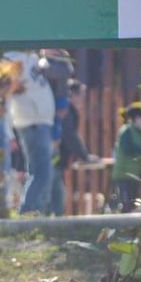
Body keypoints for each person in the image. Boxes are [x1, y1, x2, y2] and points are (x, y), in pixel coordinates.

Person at [5, 49, 57, 215]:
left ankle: (32, 210)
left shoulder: (32, 58)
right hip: (31, 122)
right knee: (42, 172)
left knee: (37, 171)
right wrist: (9, 132)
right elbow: (6, 94)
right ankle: (28, 209)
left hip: (40, 121)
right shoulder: (12, 59)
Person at [49, 80, 90, 216]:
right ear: (72, 94)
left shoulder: (70, 111)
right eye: (80, 95)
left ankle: (53, 216)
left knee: (56, 187)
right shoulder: (66, 111)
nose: (82, 99)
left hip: (58, 157)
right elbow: (70, 136)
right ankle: (52, 217)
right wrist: (85, 156)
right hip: (55, 155)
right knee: (55, 189)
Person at [112, 102, 141, 212]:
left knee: (136, 204)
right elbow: (129, 149)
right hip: (125, 174)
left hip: (137, 174)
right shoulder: (126, 131)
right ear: (137, 119)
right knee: (126, 204)